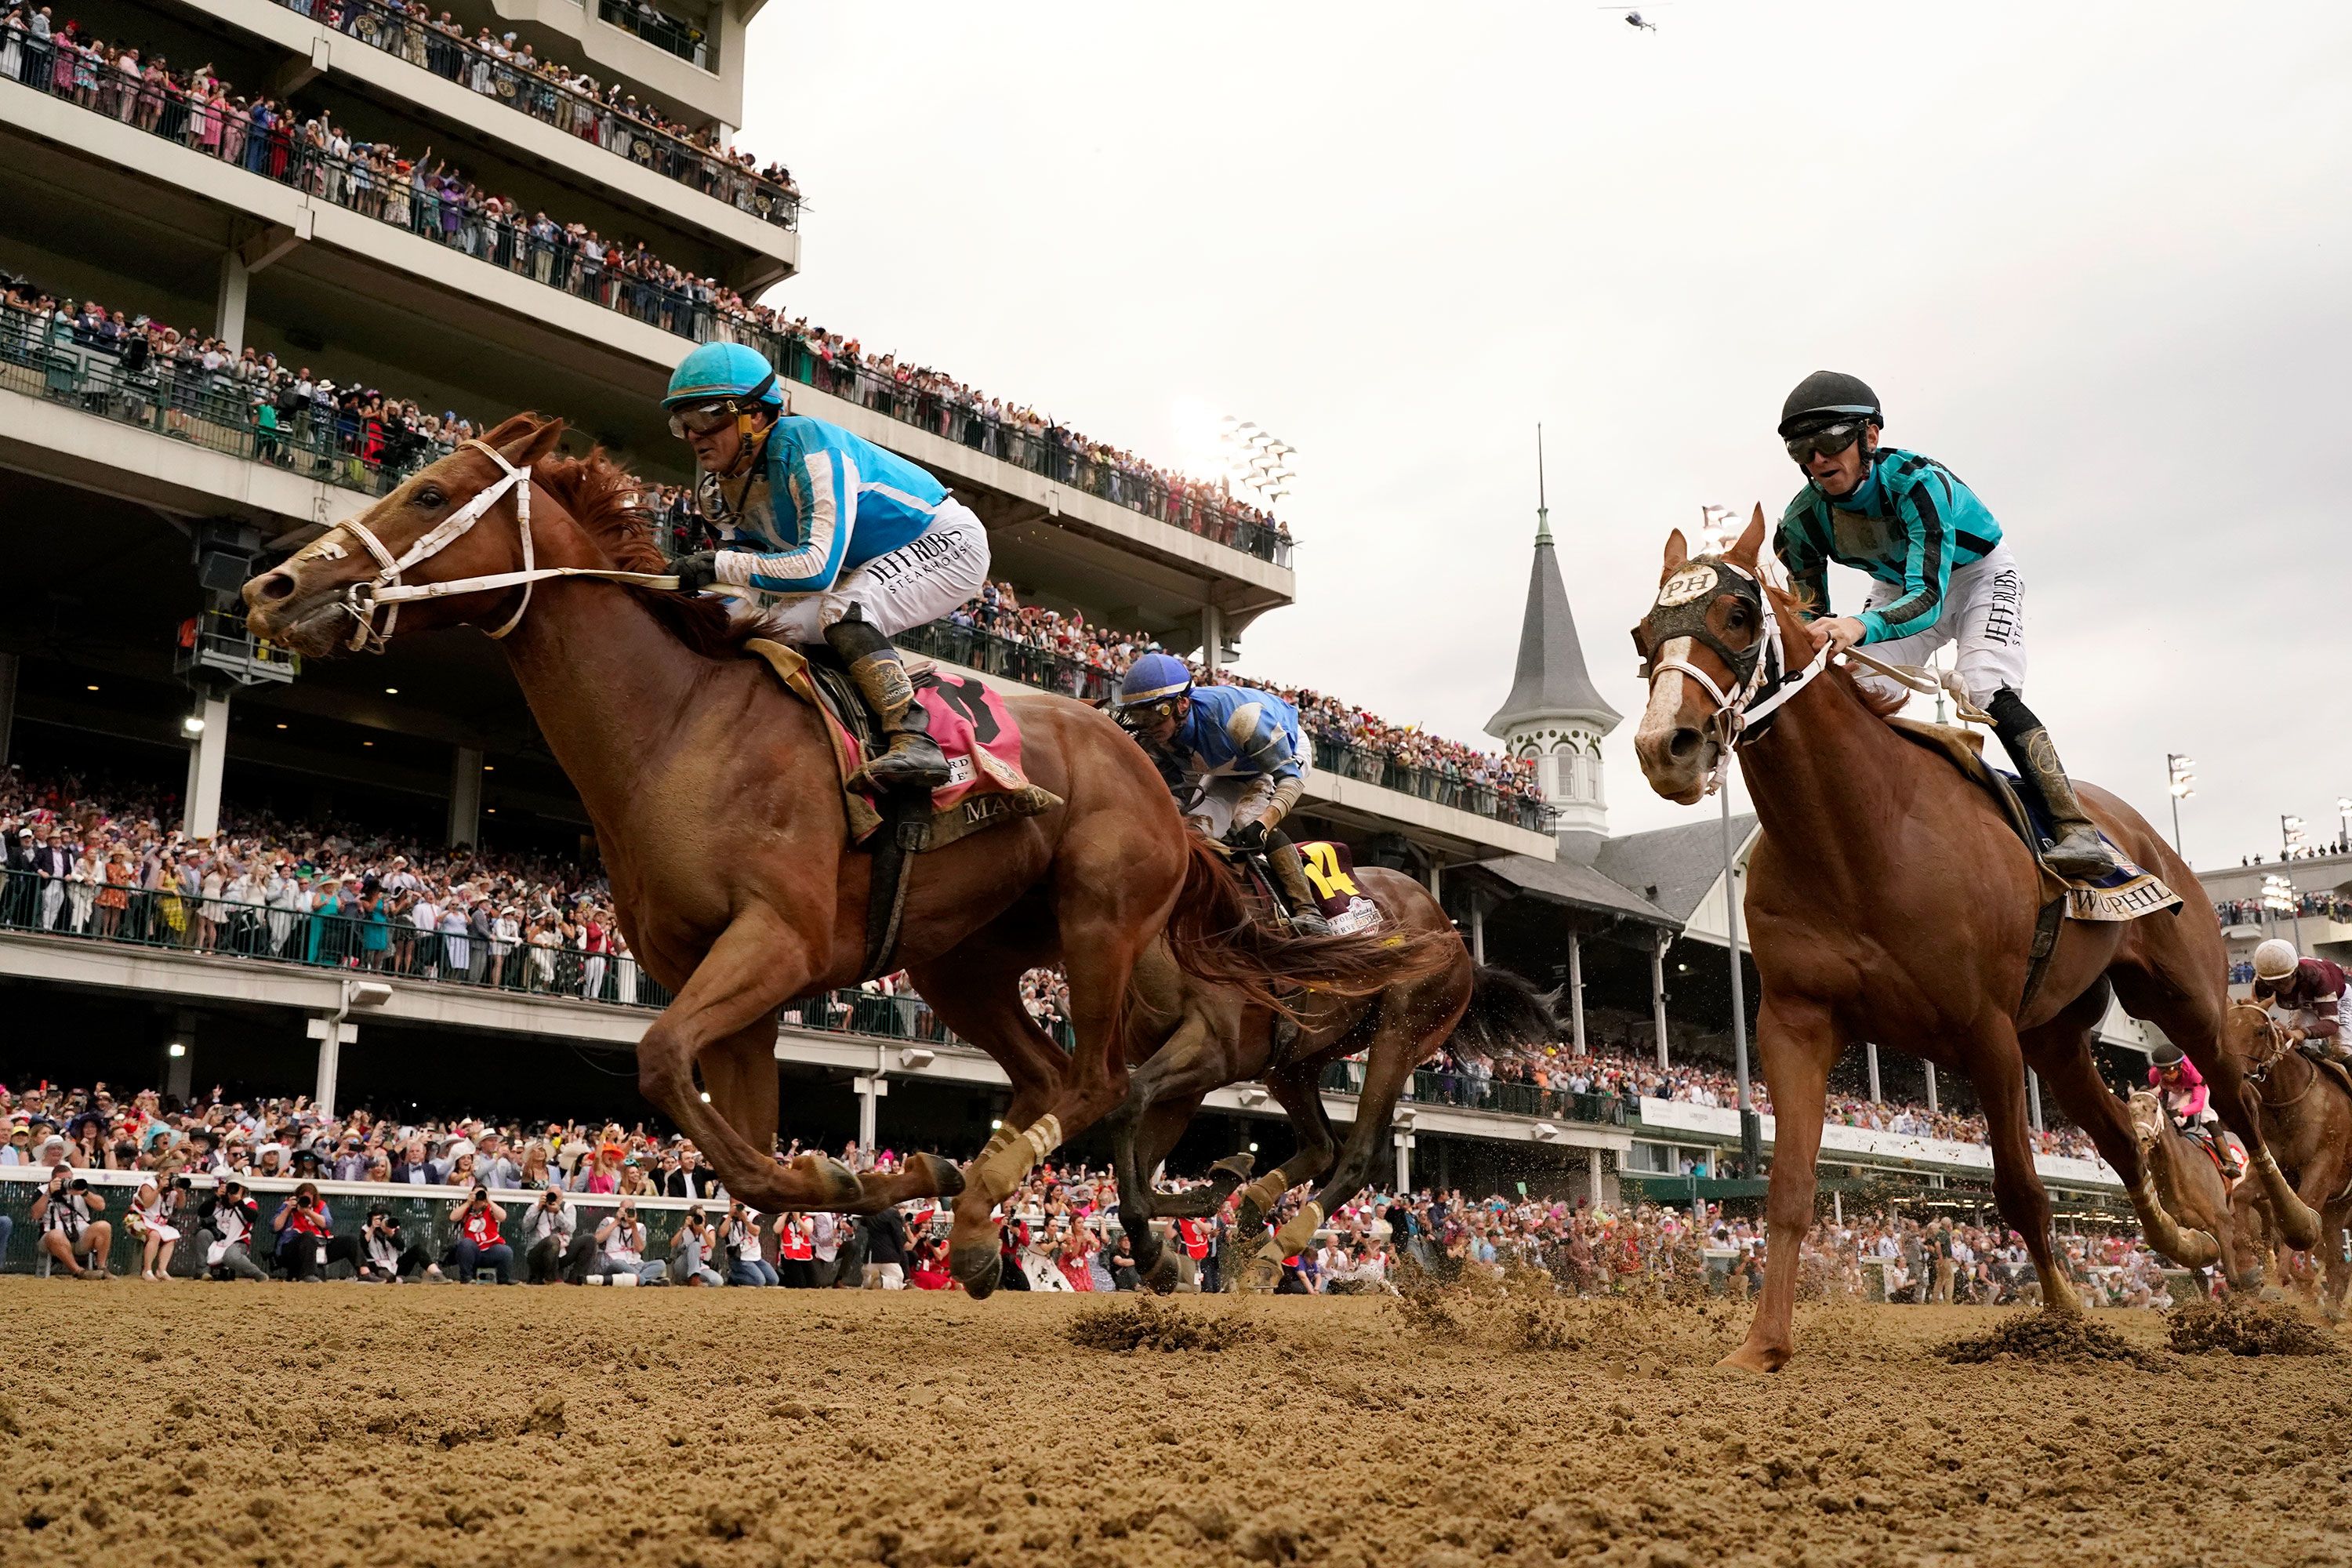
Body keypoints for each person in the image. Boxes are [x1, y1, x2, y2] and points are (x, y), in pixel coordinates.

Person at [1771, 372, 2116, 879]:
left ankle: (2075, 827)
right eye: (1802, 447)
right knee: (1849, 685)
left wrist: (1856, 626)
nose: (1817, 460)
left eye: (1829, 441)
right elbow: (1811, 623)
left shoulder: (1917, 483)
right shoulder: (1800, 521)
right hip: (1898, 585)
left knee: (1982, 685)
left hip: (1978, 577)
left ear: (1869, 437)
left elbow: (1929, 599)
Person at [659, 341, 992, 792]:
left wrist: (718, 564)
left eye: (707, 416)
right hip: (859, 563)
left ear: (755, 415)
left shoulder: (807, 447)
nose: (695, 435)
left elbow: (817, 570)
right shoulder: (716, 487)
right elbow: (740, 591)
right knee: (761, 628)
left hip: (946, 541)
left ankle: (914, 736)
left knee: (843, 611)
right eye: (683, 422)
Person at [1112, 651, 1331, 935]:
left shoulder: (1243, 719)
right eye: (1139, 715)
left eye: (1158, 714)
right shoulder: (1156, 737)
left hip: (1282, 751)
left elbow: (1290, 780)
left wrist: (1263, 825)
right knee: (1193, 830)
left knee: (1247, 819)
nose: (1150, 726)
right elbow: (1173, 799)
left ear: (1182, 704)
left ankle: (1309, 911)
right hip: (1226, 767)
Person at [2251, 938, 2352, 1063]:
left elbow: (2331, 1024)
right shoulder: (2261, 983)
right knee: (2294, 1045)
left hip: (2339, 999)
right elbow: (2256, 1015)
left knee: (2341, 1050)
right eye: (2273, 983)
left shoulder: (2317, 976)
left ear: (2295, 972)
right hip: (2305, 1006)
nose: (2280, 987)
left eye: (2284, 980)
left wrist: (2303, 1032)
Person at [2149, 1041, 2240, 1178]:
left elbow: (2198, 1104)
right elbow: (2155, 1092)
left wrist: (2181, 1111)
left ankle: (2230, 1162)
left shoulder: (2194, 1073)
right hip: (2176, 1089)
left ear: (2180, 1066)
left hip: (2197, 1087)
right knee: (2169, 1119)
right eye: (2163, 1071)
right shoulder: (2154, 1074)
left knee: (2207, 1118)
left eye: (2171, 1070)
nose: (2167, 1075)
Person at [31, 1163, 112, 1279]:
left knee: (104, 1226)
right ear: (53, 1180)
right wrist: (49, 1193)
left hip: (81, 1236)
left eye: (70, 1179)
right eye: (63, 1180)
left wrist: (84, 1193)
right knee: (56, 1234)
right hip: (52, 1239)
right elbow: (35, 1215)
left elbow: (101, 1206)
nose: (67, 1182)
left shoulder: (81, 1187)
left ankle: (102, 1268)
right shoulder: (43, 1190)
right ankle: (79, 1272)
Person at [519, 1188, 596, 1283]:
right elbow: (525, 1227)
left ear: (561, 1199)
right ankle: (551, 1279)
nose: (552, 1200)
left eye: (556, 1197)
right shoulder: (536, 1207)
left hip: (561, 1252)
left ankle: (575, 1278)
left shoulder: (568, 1207)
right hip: (538, 1253)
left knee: (590, 1239)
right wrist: (538, 1208)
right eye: (550, 1196)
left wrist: (558, 1213)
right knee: (553, 1240)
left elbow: (570, 1229)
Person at [449, 1185, 512, 1283]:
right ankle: (467, 1278)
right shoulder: (467, 1210)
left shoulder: (490, 1209)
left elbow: (503, 1217)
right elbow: (453, 1217)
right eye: (476, 1194)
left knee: (506, 1251)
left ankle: (503, 1280)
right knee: (466, 1243)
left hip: (490, 1250)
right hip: (472, 1251)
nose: (479, 1197)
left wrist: (488, 1200)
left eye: (481, 1194)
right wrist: (469, 1202)